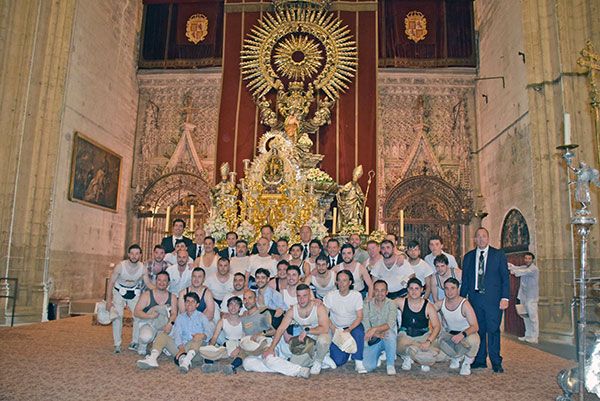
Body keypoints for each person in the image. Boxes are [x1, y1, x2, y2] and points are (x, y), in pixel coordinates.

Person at [460, 227, 510, 373]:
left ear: (488, 238)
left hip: (493, 299)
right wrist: (463, 301)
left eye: (484, 236)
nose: (481, 239)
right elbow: (466, 280)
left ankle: (496, 361)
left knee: (493, 329)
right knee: (479, 329)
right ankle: (480, 360)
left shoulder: (498, 255)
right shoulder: (468, 257)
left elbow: (504, 278)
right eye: (478, 236)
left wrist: (505, 297)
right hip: (475, 298)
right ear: (474, 239)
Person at [263, 284, 332, 375]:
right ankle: (318, 356)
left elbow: (325, 329)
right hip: (307, 339)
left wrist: (307, 331)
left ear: (310, 296)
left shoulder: (319, 307)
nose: (301, 299)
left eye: (305, 296)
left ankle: (319, 361)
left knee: (323, 339)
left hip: (320, 335)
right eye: (299, 296)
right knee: (295, 363)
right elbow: (280, 329)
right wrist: (271, 348)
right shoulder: (292, 311)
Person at [136, 292, 212, 373]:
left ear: (197, 304)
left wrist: (202, 335)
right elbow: (177, 334)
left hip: (195, 351)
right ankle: (152, 358)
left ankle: (186, 361)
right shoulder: (180, 317)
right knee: (163, 335)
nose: (189, 303)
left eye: (193, 301)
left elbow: (209, 333)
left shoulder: (202, 317)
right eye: (187, 301)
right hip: (180, 349)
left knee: (197, 338)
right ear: (185, 303)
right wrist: (181, 349)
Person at [241, 290, 311, 378]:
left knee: (269, 360)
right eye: (244, 298)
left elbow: (276, 330)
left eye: (250, 298)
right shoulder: (243, 318)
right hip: (255, 349)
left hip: (268, 343)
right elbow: (244, 336)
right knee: (247, 363)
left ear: (255, 299)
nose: (247, 301)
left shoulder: (264, 312)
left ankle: (299, 370)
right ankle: (280, 365)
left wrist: (262, 333)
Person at [106, 244, 153, 353]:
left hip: (133, 292)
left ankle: (135, 342)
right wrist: (109, 300)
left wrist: (160, 290)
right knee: (118, 316)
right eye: (132, 253)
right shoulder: (120, 266)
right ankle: (117, 344)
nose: (134, 256)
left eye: (137, 253)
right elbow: (111, 282)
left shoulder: (142, 268)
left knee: (137, 315)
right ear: (128, 254)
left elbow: (148, 284)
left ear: (140, 255)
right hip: (118, 291)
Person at [434, 277, 480, 376]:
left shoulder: (465, 304)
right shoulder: (440, 303)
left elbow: (475, 326)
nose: (449, 291)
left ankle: (467, 362)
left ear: (458, 289)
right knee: (435, 356)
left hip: (465, 334)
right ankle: (456, 357)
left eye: (452, 288)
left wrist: (462, 335)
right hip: (450, 334)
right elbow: (426, 311)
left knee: (474, 340)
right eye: (446, 288)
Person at [323, 270, 366, 373]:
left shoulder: (356, 295)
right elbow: (324, 315)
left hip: (352, 327)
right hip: (336, 328)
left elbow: (359, 317)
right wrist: (333, 329)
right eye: (339, 281)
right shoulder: (331, 295)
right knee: (338, 361)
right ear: (336, 282)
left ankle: (358, 362)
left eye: (344, 280)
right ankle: (348, 351)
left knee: (359, 332)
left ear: (350, 282)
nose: (341, 283)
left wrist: (349, 329)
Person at [395, 277, 441, 372]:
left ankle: (419, 356)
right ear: (407, 290)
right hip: (405, 337)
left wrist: (428, 341)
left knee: (434, 352)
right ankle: (408, 356)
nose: (414, 291)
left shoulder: (429, 306)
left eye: (416, 288)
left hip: (423, 336)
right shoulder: (401, 302)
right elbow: (385, 304)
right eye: (411, 288)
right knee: (398, 345)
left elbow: (437, 326)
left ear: (422, 290)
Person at [134, 271, 178, 355]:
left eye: (164, 280)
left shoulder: (172, 297)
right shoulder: (147, 295)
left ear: (168, 283)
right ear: (155, 281)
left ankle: (158, 342)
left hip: (164, 325)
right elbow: (136, 312)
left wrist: (170, 324)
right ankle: (142, 345)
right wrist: (149, 316)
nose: (161, 283)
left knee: (171, 349)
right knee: (146, 337)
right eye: (159, 280)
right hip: (149, 323)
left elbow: (174, 314)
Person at [362, 280, 398, 375]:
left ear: (387, 292)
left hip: (385, 335)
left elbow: (390, 323)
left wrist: (374, 329)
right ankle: (379, 354)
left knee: (390, 334)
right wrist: (375, 333)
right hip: (373, 338)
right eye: (377, 290)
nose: (380, 293)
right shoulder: (367, 304)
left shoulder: (392, 304)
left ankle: (390, 364)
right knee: (368, 366)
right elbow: (365, 323)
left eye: (382, 290)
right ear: (373, 291)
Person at [202, 296, 245, 374]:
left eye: (236, 305)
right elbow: (215, 337)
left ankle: (232, 366)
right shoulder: (222, 321)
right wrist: (210, 348)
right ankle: (210, 364)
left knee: (245, 354)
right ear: (228, 307)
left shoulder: (244, 320)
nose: (233, 307)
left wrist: (239, 349)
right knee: (208, 349)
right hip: (226, 344)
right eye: (231, 304)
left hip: (240, 345)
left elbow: (246, 338)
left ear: (240, 308)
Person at [508, 252, 539, 343]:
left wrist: (512, 270)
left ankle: (535, 337)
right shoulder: (525, 267)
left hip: (532, 297)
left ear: (532, 260)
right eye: (526, 258)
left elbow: (519, 272)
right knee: (525, 317)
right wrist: (509, 266)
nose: (527, 260)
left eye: (529, 258)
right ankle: (528, 335)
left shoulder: (534, 269)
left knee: (533, 317)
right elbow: (517, 268)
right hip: (524, 296)